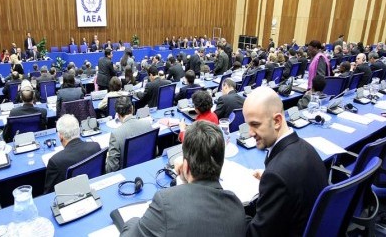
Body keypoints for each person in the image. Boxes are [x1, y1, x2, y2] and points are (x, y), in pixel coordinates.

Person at [121, 120, 246, 236]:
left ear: (185, 166)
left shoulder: (165, 202)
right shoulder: (238, 208)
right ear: (221, 161)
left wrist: (132, 221)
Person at [243, 87, 327, 236]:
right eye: (248, 125)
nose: (250, 133)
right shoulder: (307, 149)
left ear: (276, 121)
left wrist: (233, 212)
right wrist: (270, 176)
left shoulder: (277, 176)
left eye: (255, 125)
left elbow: (256, 234)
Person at [43, 114, 100, 193]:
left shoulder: (55, 161)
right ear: (79, 130)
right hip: (94, 191)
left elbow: (48, 194)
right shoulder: (95, 147)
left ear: (60, 136)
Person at [105, 96, 152, 173]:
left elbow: (112, 169)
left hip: (125, 174)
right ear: (132, 109)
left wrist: (107, 158)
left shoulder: (116, 134)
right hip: (146, 168)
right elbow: (155, 150)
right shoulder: (147, 124)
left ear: (117, 114)